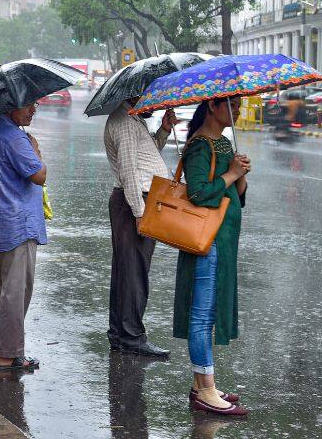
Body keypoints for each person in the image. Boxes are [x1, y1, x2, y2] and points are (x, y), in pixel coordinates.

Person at [174, 97, 250, 416]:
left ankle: (204, 384)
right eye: (233, 105)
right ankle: (205, 390)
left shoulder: (223, 143)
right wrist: (231, 174)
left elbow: (237, 198)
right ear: (213, 108)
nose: (239, 111)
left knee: (209, 312)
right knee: (202, 315)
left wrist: (241, 174)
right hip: (208, 240)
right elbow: (199, 193)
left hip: (224, 239)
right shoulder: (200, 146)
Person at [0, 103, 47, 370]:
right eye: (28, 104)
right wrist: (34, 147)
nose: (33, 109)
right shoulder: (16, 137)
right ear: (11, 104)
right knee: (16, 290)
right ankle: (8, 354)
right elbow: (39, 174)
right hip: (17, 223)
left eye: (35, 103)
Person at [103, 101, 177, 357]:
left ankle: (120, 333)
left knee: (127, 270)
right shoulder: (124, 122)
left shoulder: (134, 119)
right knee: (134, 271)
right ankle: (131, 336)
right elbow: (129, 171)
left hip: (138, 200)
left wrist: (164, 131)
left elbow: (146, 157)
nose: (155, 104)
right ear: (135, 95)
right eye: (151, 97)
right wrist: (138, 211)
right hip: (134, 202)